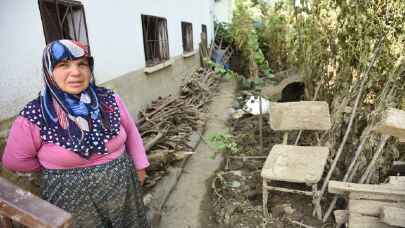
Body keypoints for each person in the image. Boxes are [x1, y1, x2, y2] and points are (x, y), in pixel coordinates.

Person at [2, 39, 150, 228]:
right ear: (49, 70)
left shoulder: (109, 99)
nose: (76, 72)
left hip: (123, 186)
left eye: (82, 64)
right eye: (63, 65)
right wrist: (56, 166)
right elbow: (14, 160)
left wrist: (140, 168)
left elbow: (131, 132)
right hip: (70, 195)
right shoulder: (36, 113)